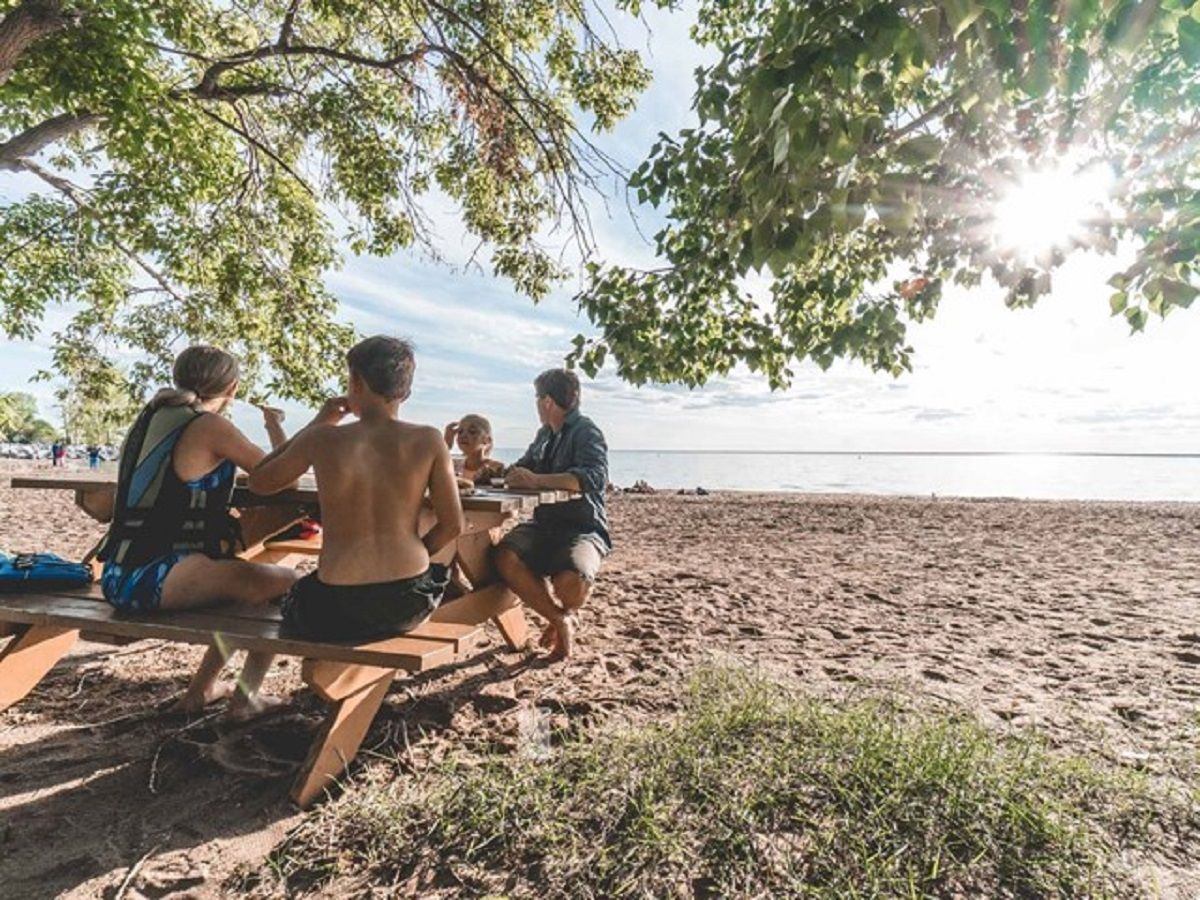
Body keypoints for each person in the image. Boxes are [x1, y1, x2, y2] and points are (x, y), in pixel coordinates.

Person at [96, 345, 310, 719]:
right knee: (288, 581)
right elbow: (280, 476)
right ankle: (246, 699)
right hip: (154, 577)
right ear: (232, 387)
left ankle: (202, 690)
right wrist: (277, 426)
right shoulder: (210, 425)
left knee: (249, 585)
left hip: (119, 571)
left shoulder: (155, 415)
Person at [249, 336, 464, 641]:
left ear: (356, 382)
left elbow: (260, 482)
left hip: (338, 604)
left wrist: (318, 421)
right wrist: (418, 554)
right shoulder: (429, 440)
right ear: (407, 392)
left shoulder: (322, 439)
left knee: (294, 595)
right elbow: (453, 524)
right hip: (407, 600)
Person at [494, 368, 610, 661]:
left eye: (536, 398)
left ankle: (567, 611)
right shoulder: (545, 434)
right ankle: (560, 620)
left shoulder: (586, 431)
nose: (535, 405)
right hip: (543, 525)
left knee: (571, 582)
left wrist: (536, 480)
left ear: (546, 401)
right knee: (503, 556)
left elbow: (592, 478)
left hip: (583, 527)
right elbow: (523, 466)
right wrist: (496, 470)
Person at [443, 414, 505, 485]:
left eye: (472, 432)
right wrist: (445, 446)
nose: (463, 435)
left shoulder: (494, 468)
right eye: (460, 432)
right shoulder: (451, 466)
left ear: (486, 440)